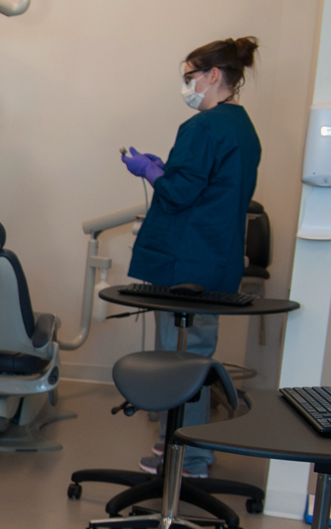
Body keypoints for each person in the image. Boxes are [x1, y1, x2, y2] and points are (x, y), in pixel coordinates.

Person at [120, 37, 262, 479]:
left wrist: (150, 171)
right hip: (214, 260)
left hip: (187, 265)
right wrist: (166, 169)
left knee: (181, 364)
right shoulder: (243, 126)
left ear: (214, 75)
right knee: (195, 356)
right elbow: (210, 187)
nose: (188, 86)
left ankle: (190, 457)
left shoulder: (202, 127)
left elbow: (180, 192)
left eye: (190, 77)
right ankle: (176, 445)